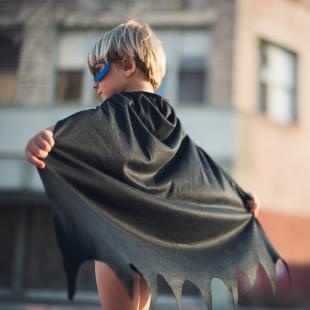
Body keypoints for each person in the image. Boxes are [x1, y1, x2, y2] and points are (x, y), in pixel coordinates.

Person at [25, 20, 261, 310]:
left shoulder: (117, 108)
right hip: (148, 239)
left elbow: (82, 125)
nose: (94, 83)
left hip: (116, 234)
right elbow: (195, 164)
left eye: (99, 70)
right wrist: (237, 195)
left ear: (126, 65)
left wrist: (49, 134)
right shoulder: (166, 115)